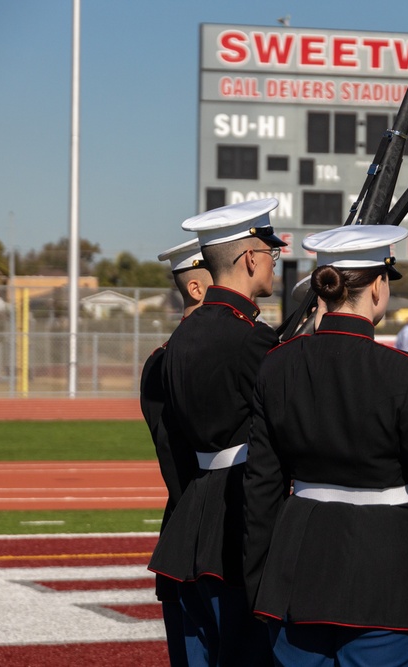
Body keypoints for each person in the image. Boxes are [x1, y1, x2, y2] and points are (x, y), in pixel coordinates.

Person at [242, 225, 408, 665]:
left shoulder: (277, 365)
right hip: (386, 572)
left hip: (297, 567)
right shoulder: (406, 373)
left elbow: (261, 488)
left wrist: (261, 584)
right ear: (378, 286)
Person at [148, 198, 286, 666]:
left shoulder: (178, 341)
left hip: (191, 524)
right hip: (239, 526)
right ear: (251, 257)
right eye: (272, 252)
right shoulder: (252, 337)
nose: (275, 261)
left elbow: (173, 447)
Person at [140, 238, 212, 667]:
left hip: (182, 535)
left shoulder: (161, 359)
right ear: (199, 290)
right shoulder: (175, 361)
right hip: (211, 530)